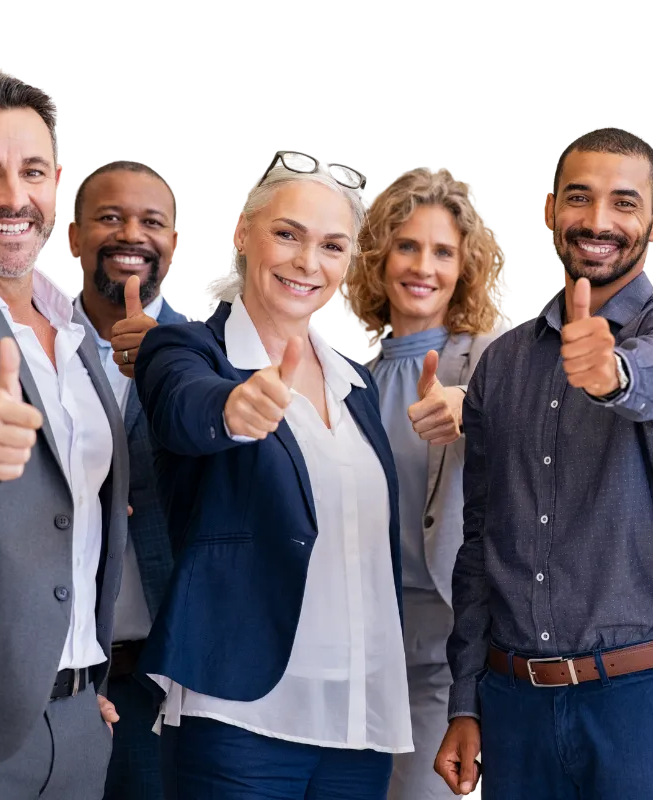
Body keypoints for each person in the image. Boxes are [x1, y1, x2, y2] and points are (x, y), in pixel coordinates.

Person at [434, 126, 653, 799]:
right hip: (512, 709)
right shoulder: (501, 364)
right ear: (549, 210)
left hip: (638, 705)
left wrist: (612, 373)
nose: (597, 221)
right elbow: (479, 545)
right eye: (580, 197)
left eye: (624, 203)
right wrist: (466, 701)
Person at [133, 152, 411, 799]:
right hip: (239, 717)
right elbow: (183, 407)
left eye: (332, 245)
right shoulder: (189, 349)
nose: (307, 262)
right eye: (288, 234)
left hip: (358, 720)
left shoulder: (354, 383)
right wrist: (233, 408)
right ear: (242, 232)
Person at [0, 71, 129, 798]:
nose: (14, 197)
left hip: (76, 720)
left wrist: (84, 686)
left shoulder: (70, 324)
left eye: (33, 172)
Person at [341, 165, 511, 800]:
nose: (422, 267)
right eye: (407, 246)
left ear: (465, 266)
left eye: (443, 251)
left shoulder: (494, 356)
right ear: (378, 257)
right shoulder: (352, 371)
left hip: (448, 643)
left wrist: (473, 407)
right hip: (359, 637)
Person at [67, 160, 185, 800]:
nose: (131, 234)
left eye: (151, 221)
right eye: (109, 217)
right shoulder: (32, 345)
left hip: (168, 678)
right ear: (72, 236)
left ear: (175, 241)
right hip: (50, 676)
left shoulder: (216, 352)